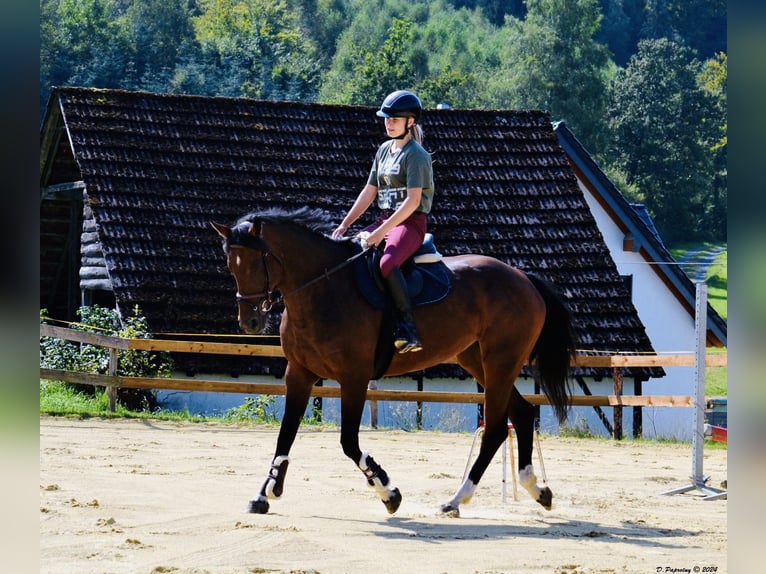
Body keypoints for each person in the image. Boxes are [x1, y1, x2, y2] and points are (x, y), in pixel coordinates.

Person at [332, 90, 434, 353]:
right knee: (346, 251)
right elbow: (369, 192)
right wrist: (345, 225)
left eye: (395, 119)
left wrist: (379, 234)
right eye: (386, 118)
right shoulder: (383, 151)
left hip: (411, 224)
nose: (389, 123)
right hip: (386, 219)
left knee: (387, 263)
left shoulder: (417, 155)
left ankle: (409, 330)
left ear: (410, 122)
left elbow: (412, 203)